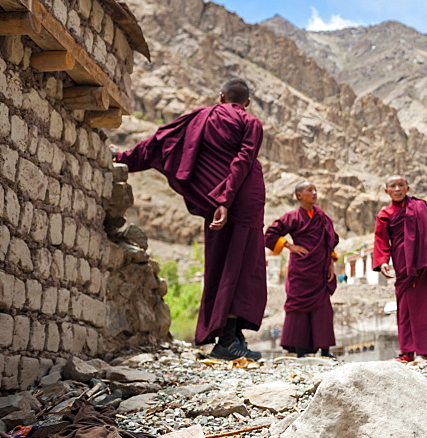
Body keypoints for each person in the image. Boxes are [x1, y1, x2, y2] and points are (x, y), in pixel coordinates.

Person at [115, 78, 266, 361]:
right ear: (246, 103)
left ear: (220, 97)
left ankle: (232, 337)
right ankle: (228, 341)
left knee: (221, 263)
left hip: (218, 201)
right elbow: (244, 160)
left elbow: (159, 143)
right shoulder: (251, 122)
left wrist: (121, 157)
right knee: (240, 268)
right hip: (243, 201)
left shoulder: (200, 117)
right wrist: (227, 199)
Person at [373, 175, 427, 362]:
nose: (398, 189)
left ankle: (426, 351)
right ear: (387, 191)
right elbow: (381, 240)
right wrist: (383, 260)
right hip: (405, 265)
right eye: (393, 186)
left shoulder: (422, 207)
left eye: (401, 185)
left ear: (408, 188)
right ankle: (407, 351)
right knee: (405, 308)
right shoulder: (386, 213)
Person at [265, 181, 339, 358]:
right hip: (301, 270)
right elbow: (271, 234)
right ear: (299, 195)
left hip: (320, 270)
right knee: (298, 308)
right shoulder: (292, 217)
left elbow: (330, 241)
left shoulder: (322, 217)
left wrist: (331, 263)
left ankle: (326, 350)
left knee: (323, 310)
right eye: (309, 190)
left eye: (315, 190)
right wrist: (290, 246)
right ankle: (300, 351)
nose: (314, 193)